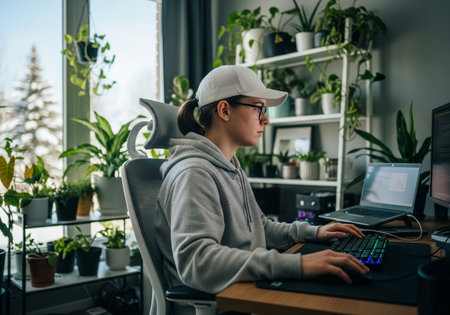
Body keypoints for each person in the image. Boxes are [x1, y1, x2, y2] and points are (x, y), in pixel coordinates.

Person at [155, 65, 369, 308]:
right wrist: (297, 265)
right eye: (259, 108)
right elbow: (198, 261)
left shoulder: (230, 168)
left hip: (245, 292)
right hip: (225, 303)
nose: (266, 119)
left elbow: (259, 229)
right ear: (224, 110)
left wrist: (314, 233)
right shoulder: (194, 173)